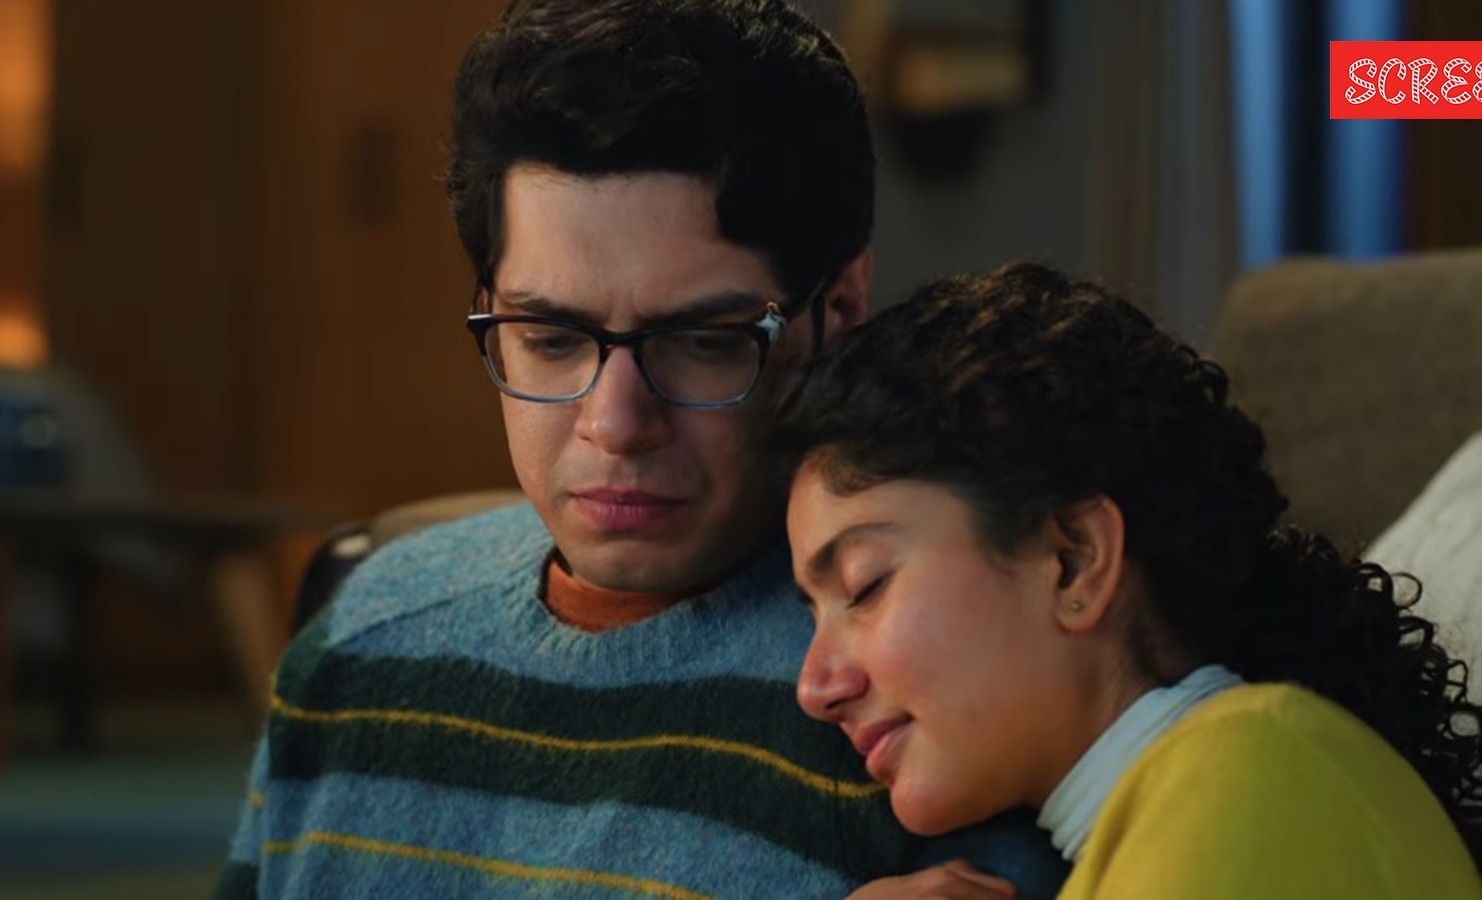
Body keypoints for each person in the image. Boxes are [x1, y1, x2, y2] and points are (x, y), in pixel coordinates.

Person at [214, 2, 1065, 898]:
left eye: (702, 342)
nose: (615, 423)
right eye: (550, 339)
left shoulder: (917, 696)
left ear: (839, 312)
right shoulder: (366, 629)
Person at [779, 262, 1482, 900]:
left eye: (865, 586)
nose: (815, 686)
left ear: (1074, 560)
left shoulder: (1247, 776)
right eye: (812, 611)